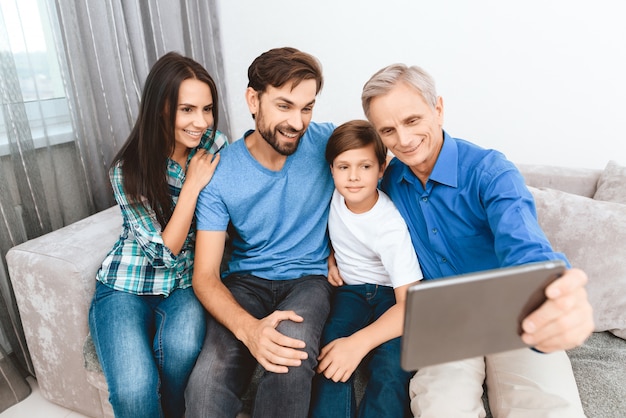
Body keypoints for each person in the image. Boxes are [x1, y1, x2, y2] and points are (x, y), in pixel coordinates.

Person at [360, 63, 594, 417]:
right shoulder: (389, 182)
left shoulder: (491, 172)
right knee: (440, 409)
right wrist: (335, 255)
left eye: (412, 121)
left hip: (515, 313)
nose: (403, 141)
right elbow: (358, 215)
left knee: (549, 410)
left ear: (438, 109)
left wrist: (556, 292)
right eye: (388, 130)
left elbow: (526, 249)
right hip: (446, 320)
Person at [184, 47, 335, 418]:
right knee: (206, 383)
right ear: (253, 99)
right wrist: (248, 330)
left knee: (290, 354)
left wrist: (346, 248)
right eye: (284, 106)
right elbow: (204, 277)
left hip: (309, 280)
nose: (298, 122)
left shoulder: (330, 144)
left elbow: (384, 169)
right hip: (245, 284)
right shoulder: (220, 173)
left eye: (307, 108)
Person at [88, 51, 227, 418]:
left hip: (183, 285)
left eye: (207, 109)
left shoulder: (216, 146)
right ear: (161, 109)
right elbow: (163, 253)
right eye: (187, 110)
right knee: (134, 389)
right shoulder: (127, 170)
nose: (201, 122)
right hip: (125, 287)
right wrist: (193, 185)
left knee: (181, 352)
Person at [309, 120, 423, 418]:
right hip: (350, 293)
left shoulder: (389, 225)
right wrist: (331, 257)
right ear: (331, 169)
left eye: (365, 167)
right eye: (343, 167)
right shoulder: (334, 197)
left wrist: (360, 343)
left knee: (391, 365)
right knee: (330, 351)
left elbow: (409, 305)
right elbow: (340, 234)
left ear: (382, 169)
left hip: (391, 299)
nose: (354, 177)